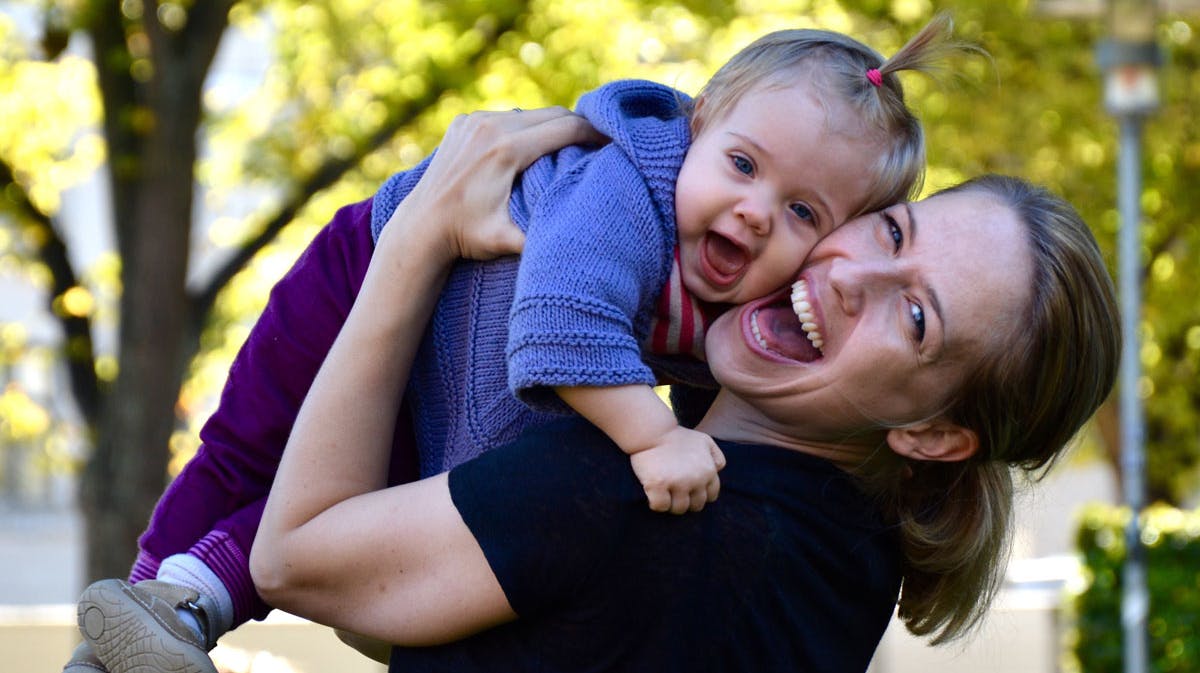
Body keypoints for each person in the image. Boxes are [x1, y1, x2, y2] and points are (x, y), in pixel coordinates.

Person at [68, 17, 963, 673]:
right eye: (742, 163)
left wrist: (696, 447)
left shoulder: (744, 287)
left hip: (451, 353)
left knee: (363, 482)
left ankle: (181, 605)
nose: (757, 209)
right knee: (250, 445)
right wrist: (653, 439)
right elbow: (563, 323)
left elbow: (706, 408)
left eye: (804, 211)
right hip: (372, 266)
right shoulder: (622, 193)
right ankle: (148, 604)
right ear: (698, 123)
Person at [243, 109, 1120, 672]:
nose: (857, 275)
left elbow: (293, 560)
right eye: (891, 229)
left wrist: (416, 239)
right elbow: (413, 616)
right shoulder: (847, 556)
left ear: (935, 434)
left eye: (918, 316)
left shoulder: (629, 493)